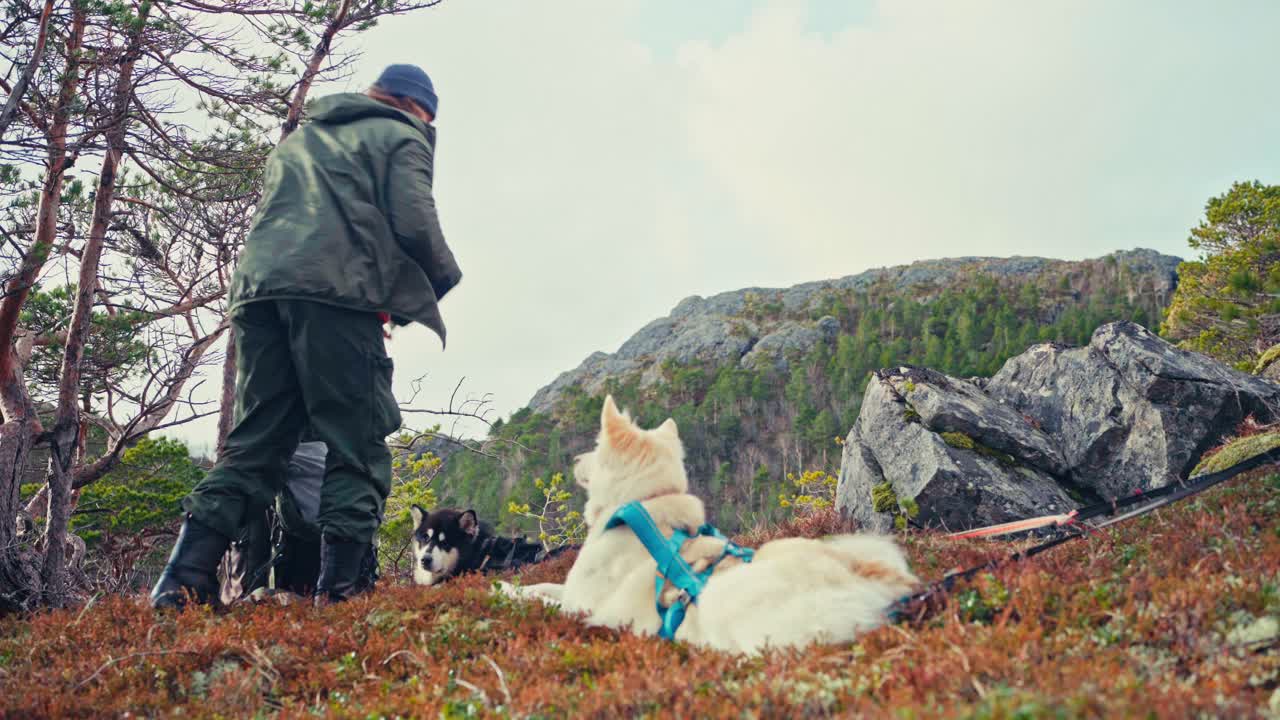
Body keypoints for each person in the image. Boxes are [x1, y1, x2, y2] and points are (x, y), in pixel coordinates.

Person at [150, 63, 461, 608]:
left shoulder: (302, 138)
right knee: (356, 443)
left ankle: (182, 580)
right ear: (420, 109)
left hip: (257, 295)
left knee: (257, 443)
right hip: (334, 297)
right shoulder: (401, 134)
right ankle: (341, 595)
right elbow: (414, 221)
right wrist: (439, 283)